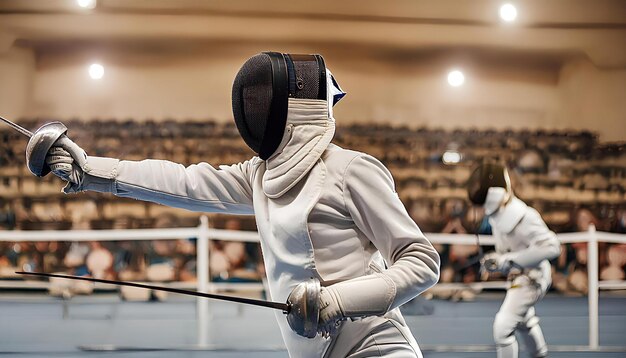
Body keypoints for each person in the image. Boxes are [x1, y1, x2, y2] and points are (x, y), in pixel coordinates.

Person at [39, 52, 440, 357]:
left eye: (262, 100)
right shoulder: (260, 176)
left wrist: (336, 301)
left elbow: (422, 262)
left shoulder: (352, 169)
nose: (253, 111)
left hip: (377, 348)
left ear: (296, 107)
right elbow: (182, 181)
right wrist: (90, 169)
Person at [468, 162, 561, 358]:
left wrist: (507, 260)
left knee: (502, 328)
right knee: (524, 322)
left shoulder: (525, 216)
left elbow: (552, 247)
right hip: (519, 278)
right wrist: (496, 261)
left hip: (533, 278)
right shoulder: (497, 216)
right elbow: (507, 250)